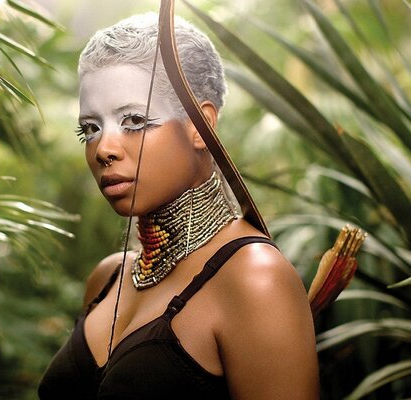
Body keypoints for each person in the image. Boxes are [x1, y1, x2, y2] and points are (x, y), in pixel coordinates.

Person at [39, 11, 319, 400]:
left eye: (134, 120)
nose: (103, 149)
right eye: (90, 128)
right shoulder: (107, 279)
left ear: (199, 126)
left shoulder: (254, 278)